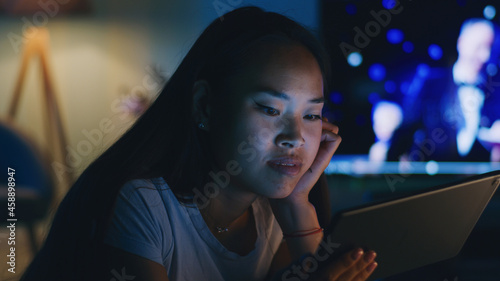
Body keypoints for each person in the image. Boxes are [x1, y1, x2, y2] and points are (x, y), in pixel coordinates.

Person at [20, 7, 378, 281]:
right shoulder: (141, 204)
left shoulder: (278, 210)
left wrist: (300, 212)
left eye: (312, 115)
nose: (296, 137)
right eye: (270, 109)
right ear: (205, 105)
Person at [391, 18, 497, 162]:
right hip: (433, 179)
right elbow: (406, 129)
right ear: (461, 42)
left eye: (489, 47)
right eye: (479, 46)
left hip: (479, 179)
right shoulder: (431, 82)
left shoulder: (495, 90)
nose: (485, 56)